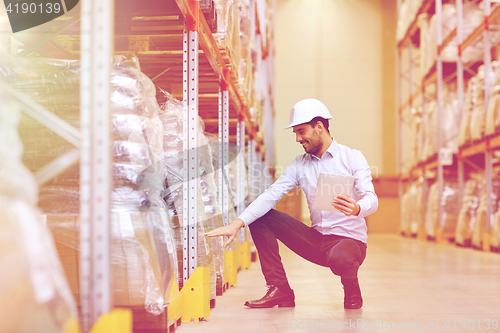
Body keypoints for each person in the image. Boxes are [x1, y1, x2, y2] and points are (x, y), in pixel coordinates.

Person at [205, 98, 378, 310]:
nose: (297, 138)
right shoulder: (300, 165)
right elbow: (271, 195)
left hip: (349, 242)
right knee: (262, 217)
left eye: (301, 131)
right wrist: (238, 223)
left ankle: (351, 286)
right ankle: (280, 290)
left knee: (340, 258)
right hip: (317, 240)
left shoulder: (352, 158)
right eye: (295, 132)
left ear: (319, 127)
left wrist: (358, 207)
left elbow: (371, 198)